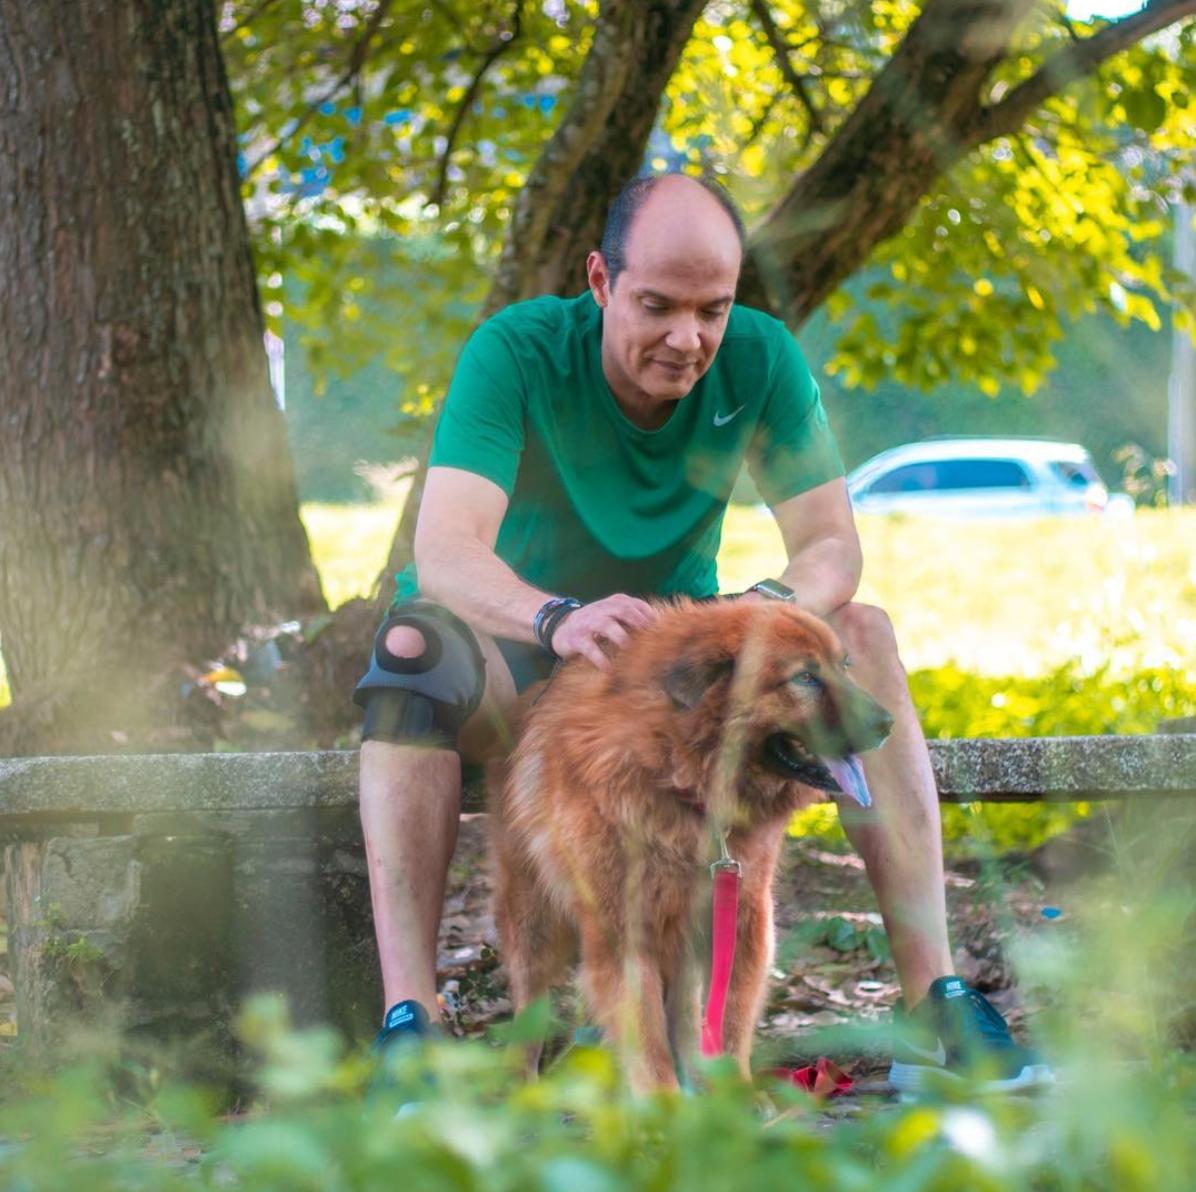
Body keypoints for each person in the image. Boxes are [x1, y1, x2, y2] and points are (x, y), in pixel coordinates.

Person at [355, 172, 1052, 1094]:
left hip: (663, 674)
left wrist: (763, 607)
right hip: (513, 650)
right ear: (601, 281)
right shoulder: (516, 354)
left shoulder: (759, 360)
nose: (688, 338)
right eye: (656, 306)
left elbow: (831, 544)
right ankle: (414, 1025)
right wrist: (555, 617)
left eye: (712, 309)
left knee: (865, 637)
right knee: (411, 653)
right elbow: (443, 552)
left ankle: (938, 993)